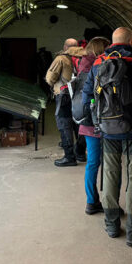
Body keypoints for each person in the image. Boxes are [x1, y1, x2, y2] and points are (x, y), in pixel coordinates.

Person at [82, 27, 132, 247]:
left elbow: (87, 95)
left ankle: (111, 225)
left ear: (112, 43)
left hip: (108, 132)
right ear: (130, 42)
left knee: (110, 175)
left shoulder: (99, 63)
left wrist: (98, 121)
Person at [76, 37, 110, 214]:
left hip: (86, 121)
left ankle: (91, 201)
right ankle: (108, 203)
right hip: (98, 121)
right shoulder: (97, 65)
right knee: (108, 163)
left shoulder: (83, 63)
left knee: (92, 163)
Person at [45, 38, 85, 167]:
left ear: (65, 46)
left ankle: (69, 157)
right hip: (81, 96)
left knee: (64, 125)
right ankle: (80, 153)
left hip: (64, 96)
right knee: (79, 124)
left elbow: (50, 78)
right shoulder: (85, 57)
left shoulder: (61, 59)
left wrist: (54, 86)